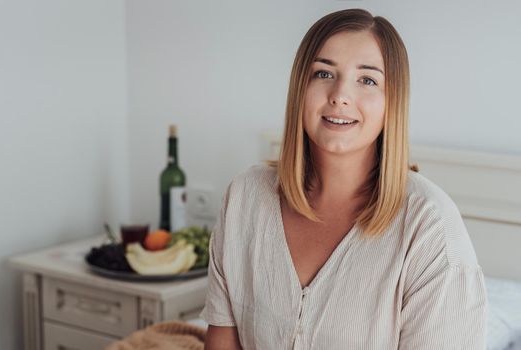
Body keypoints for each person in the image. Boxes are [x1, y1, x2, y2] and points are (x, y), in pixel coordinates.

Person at [200, 8, 487, 350]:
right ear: (299, 89)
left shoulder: (429, 227)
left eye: (367, 80)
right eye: (323, 73)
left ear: (391, 101)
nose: (339, 95)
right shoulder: (245, 198)